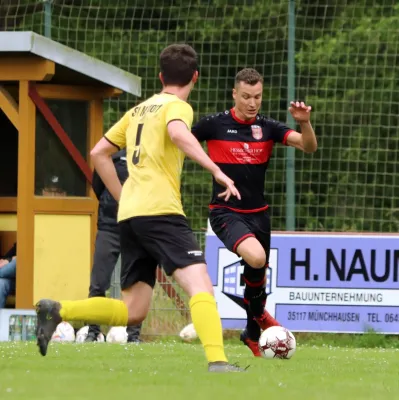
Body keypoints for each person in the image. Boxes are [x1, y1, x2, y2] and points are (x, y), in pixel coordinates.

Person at [35, 44, 246, 373]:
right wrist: (216, 169)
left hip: (130, 215)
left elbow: (98, 154)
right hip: (161, 212)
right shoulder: (177, 106)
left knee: (133, 310)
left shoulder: (137, 111)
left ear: (161, 76)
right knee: (201, 285)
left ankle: (58, 310)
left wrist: (123, 197)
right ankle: (218, 361)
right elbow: (177, 133)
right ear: (195, 77)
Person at [192, 68, 317, 357]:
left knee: (256, 270)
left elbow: (309, 147)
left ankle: (250, 333)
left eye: (257, 97)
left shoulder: (268, 127)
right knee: (257, 257)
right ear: (234, 94)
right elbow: (182, 142)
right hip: (225, 211)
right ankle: (260, 315)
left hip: (259, 213)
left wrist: (305, 123)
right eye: (246, 96)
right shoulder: (214, 125)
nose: (252, 103)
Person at [87, 149, 142, 343]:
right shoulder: (111, 155)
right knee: (98, 282)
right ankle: (93, 332)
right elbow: (97, 186)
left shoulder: (150, 154)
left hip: (136, 228)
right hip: (109, 227)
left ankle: (133, 336)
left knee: (135, 283)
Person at [0, 243, 17, 309]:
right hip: (10, 278)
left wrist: (10, 259)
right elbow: (3, 260)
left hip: (28, 278)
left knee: (17, 261)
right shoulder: (21, 242)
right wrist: (7, 259)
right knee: (1, 284)